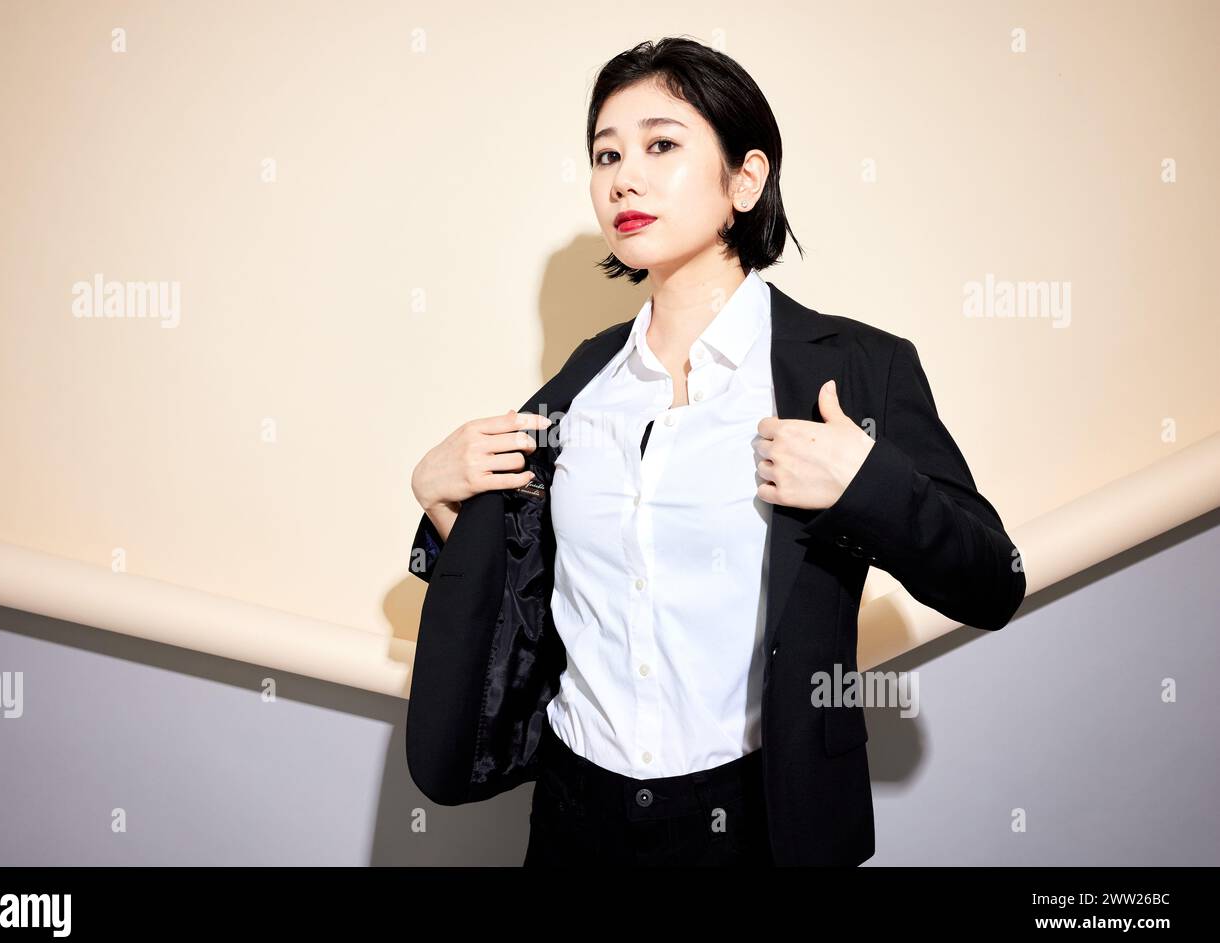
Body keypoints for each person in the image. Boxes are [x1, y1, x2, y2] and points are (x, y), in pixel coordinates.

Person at [407, 37, 1026, 867]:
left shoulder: (854, 369)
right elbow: (526, 588)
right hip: (574, 815)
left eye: (662, 144)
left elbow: (994, 580)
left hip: (759, 820)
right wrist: (439, 500)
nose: (625, 176)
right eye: (606, 154)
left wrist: (866, 484)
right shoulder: (582, 382)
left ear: (746, 179)